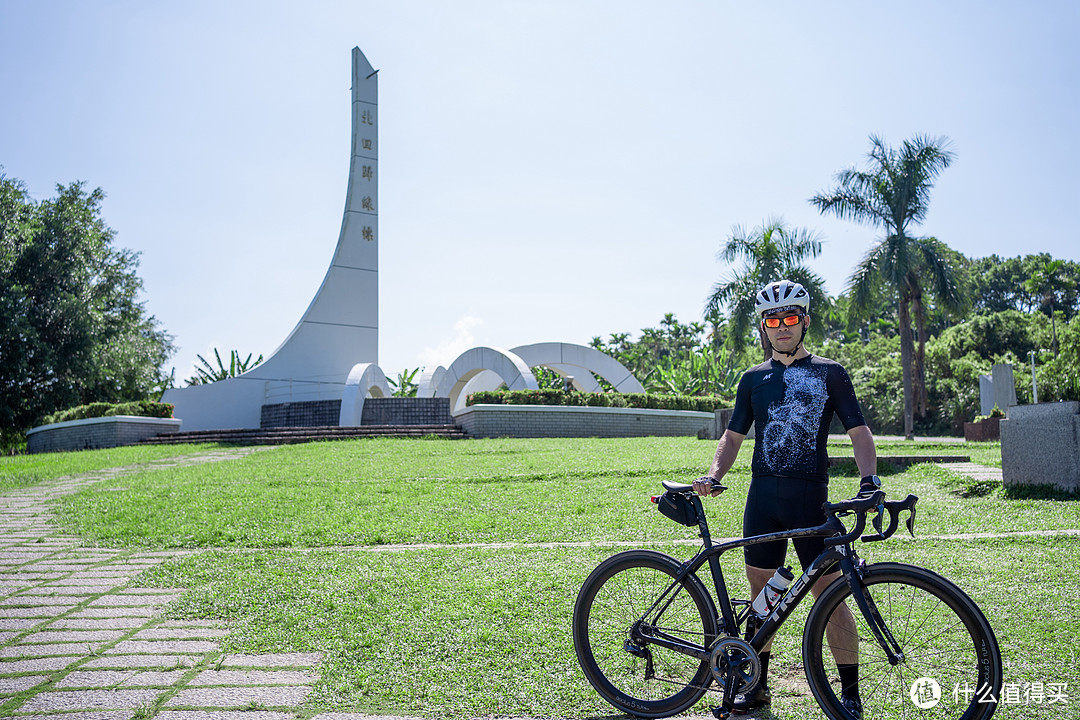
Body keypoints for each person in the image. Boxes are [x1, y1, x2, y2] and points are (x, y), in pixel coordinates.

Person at [692, 279, 879, 717]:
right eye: (773, 320)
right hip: (763, 501)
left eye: (790, 318)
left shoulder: (830, 372)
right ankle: (756, 687)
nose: (781, 327)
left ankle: (848, 693)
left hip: (811, 500)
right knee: (764, 595)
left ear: (805, 321)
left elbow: (859, 432)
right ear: (763, 326)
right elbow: (733, 435)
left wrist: (868, 481)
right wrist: (714, 474)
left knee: (829, 594)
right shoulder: (752, 379)